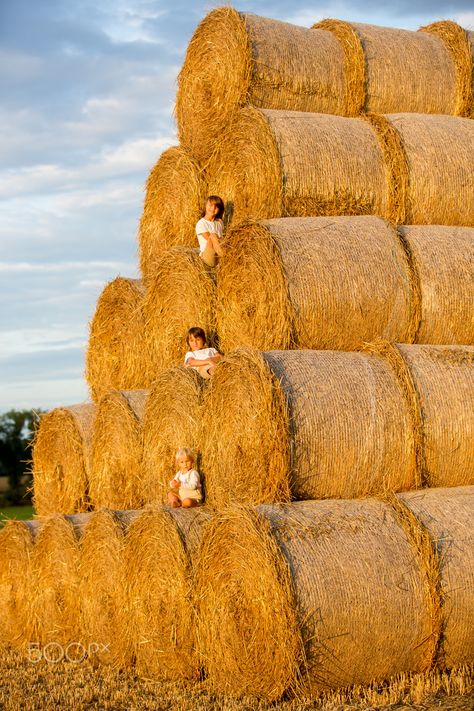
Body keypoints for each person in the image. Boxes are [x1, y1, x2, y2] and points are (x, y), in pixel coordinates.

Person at [195, 195, 225, 267]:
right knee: (213, 236)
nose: (213, 208)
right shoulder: (201, 223)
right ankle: (225, 257)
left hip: (217, 254)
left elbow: (222, 240)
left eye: (216, 206)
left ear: (219, 210)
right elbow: (210, 239)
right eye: (210, 205)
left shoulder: (220, 222)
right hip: (207, 257)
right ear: (205, 206)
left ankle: (223, 256)